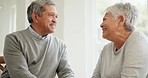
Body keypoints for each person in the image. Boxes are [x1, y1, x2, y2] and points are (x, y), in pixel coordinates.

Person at [1, 0, 75, 78]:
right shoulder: (14, 39)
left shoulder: (60, 45)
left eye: (56, 16)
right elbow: (20, 74)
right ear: (35, 17)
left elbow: (67, 72)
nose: (55, 20)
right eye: (51, 15)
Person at [92, 2, 148, 78]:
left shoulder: (138, 40)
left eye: (105, 19)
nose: (101, 25)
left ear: (120, 20)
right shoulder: (106, 49)